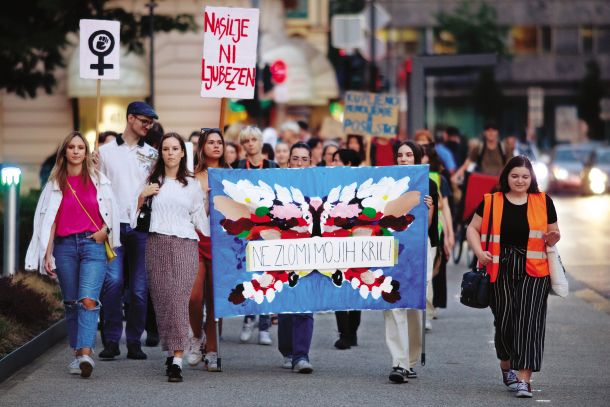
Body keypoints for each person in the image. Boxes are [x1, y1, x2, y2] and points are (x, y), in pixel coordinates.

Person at [25, 131, 120, 378]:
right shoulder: (55, 183)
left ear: (86, 152)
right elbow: (49, 221)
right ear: (64, 152)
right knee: (71, 302)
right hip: (64, 247)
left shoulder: (99, 180)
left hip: (92, 245)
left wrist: (104, 231)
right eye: (71, 147)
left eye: (80, 147)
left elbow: (112, 213)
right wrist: (47, 254)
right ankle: (78, 354)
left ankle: (86, 354)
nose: (76, 151)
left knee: (87, 300)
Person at [466, 155, 560, 398]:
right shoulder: (491, 201)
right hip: (501, 267)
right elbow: (472, 229)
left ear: (532, 179)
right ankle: (506, 364)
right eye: (515, 176)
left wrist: (553, 237)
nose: (520, 180)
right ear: (506, 177)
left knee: (530, 322)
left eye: (525, 177)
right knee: (505, 319)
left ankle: (524, 379)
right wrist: (479, 252)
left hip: (536, 269)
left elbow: (554, 231)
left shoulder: (543, 201)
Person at [139, 133, 209, 383]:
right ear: (162, 153)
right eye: (166, 148)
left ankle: (177, 359)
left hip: (184, 243)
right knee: (163, 300)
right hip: (156, 242)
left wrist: (208, 199)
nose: (170, 152)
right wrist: (142, 195)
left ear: (182, 153)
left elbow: (201, 221)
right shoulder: (150, 180)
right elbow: (131, 215)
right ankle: (171, 350)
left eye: (175, 148)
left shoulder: (191, 184)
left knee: (179, 298)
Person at [97, 101, 159, 361]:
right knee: (112, 283)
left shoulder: (153, 155)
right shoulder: (104, 152)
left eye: (151, 123)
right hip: (112, 225)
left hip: (142, 226)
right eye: (145, 121)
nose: (148, 126)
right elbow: (96, 190)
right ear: (131, 118)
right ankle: (111, 340)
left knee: (139, 288)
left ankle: (134, 340)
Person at [385, 141, 436, 383]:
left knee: (414, 305)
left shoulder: (429, 184)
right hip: (391, 250)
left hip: (416, 251)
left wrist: (430, 209)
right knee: (393, 302)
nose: (403, 159)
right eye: (400, 155)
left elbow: (427, 227)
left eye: (408, 155)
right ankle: (399, 362)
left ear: (417, 157)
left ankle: (411, 359)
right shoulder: (387, 181)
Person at [187, 128, 226, 372]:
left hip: (222, 244)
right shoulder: (191, 177)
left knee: (215, 300)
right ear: (202, 147)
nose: (215, 146)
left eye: (219, 142)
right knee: (194, 297)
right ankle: (196, 337)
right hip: (197, 240)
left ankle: (212, 350)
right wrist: (203, 200)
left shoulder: (231, 175)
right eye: (210, 142)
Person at [233, 126, 277, 344]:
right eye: (246, 141)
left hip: (269, 229)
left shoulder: (272, 167)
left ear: (261, 142)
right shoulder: (238, 167)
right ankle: (249, 318)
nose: (250, 144)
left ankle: (265, 325)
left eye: (253, 140)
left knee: (268, 274)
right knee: (250, 274)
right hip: (246, 230)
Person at [278, 142, 315, 374]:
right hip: (281, 252)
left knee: (304, 305)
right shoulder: (278, 183)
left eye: (304, 159)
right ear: (288, 161)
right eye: (295, 158)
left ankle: (301, 355)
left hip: (310, 251)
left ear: (310, 162)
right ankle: (288, 350)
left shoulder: (319, 185)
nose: (299, 163)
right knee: (286, 305)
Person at [329, 149, 362, 349]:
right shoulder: (330, 183)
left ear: (348, 163)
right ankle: (344, 332)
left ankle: (352, 332)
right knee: (338, 284)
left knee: (356, 286)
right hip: (335, 242)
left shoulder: (361, 187)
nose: (332, 164)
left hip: (356, 242)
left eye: (336, 160)